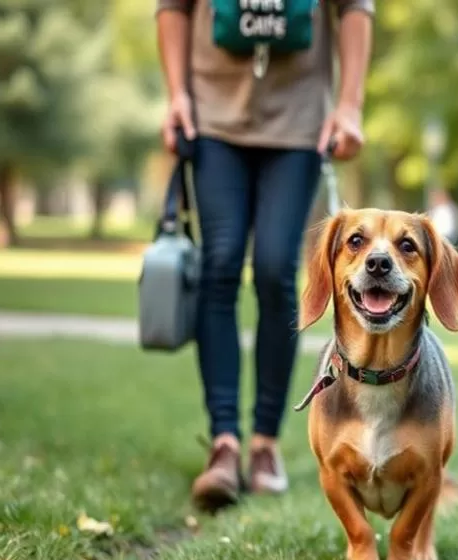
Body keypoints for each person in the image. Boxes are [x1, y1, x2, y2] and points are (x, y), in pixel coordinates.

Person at [154, 0, 374, 511]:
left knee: (277, 271)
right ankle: (224, 442)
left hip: (300, 122)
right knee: (221, 265)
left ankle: (266, 445)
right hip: (211, 116)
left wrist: (350, 104)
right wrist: (176, 94)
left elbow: (355, 8)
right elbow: (173, 7)